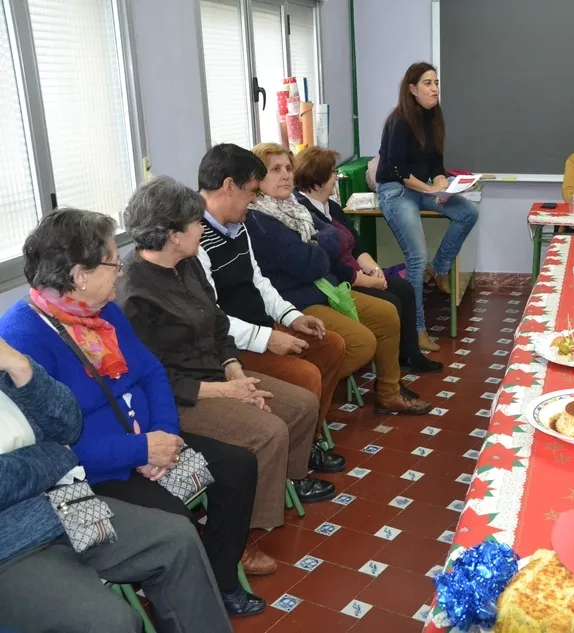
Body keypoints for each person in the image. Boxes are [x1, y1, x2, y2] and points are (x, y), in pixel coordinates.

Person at [0, 210, 265, 617]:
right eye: (111, 261)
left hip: (148, 441)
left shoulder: (103, 311)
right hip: (100, 468)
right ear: (79, 274)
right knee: (172, 519)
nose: (120, 270)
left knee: (238, 466)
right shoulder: (22, 337)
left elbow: (152, 372)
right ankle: (177, 607)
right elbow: (60, 441)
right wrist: (140, 450)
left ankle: (216, 579)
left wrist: (165, 437)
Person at [114, 180, 339, 532]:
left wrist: (234, 370)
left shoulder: (187, 264)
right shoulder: (133, 295)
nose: (202, 227)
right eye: (195, 222)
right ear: (173, 234)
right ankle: (252, 527)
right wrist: (226, 392)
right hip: (181, 398)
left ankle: (287, 482)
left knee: (302, 404)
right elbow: (154, 380)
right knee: (268, 431)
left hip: (218, 376)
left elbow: (218, 324)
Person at [0, 339, 234, 633]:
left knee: (177, 538)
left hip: (63, 502)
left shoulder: (6, 364)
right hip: (11, 545)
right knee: (112, 622)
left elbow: (70, 427)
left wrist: (21, 368)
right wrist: (56, 456)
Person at [246, 143, 433, 415]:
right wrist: (318, 247)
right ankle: (306, 394)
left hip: (326, 288)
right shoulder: (258, 219)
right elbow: (311, 265)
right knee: (362, 342)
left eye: (288, 167)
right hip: (298, 302)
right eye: (275, 170)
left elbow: (332, 235)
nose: (286, 175)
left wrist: (317, 245)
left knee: (387, 313)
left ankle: (388, 393)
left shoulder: (293, 205)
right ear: (257, 178)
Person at [191, 146, 349, 437]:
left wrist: (291, 317)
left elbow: (259, 281)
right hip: (231, 347)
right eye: (251, 192)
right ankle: (294, 454)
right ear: (228, 186)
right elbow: (210, 319)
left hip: (262, 329)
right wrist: (266, 338)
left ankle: (309, 438)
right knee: (305, 375)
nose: (254, 200)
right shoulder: (193, 239)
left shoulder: (238, 225)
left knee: (331, 345)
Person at [293, 145, 443, 374]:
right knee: (390, 302)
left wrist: (374, 270)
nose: (336, 177)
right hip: (339, 282)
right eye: (332, 172)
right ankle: (388, 371)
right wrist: (366, 281)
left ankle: (410, 355)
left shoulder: (330, 206)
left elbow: (356, 244)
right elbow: (331, 265)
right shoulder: (303, 212)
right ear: (319, 178)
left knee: (403, 288)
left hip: (358, 273)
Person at [375, 61, 479, 352]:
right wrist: (431, 188)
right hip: (396, 190)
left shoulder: (433, 118)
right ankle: (417, 330)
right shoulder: (398, 121)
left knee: (467, 212)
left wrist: (442, 181)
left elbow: (435, 163)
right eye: (428, 83)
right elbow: (397, 170)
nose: (435, 89)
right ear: (412, 89)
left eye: (436, 83)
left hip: (420, 187)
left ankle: (441, 268)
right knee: (416, 257)